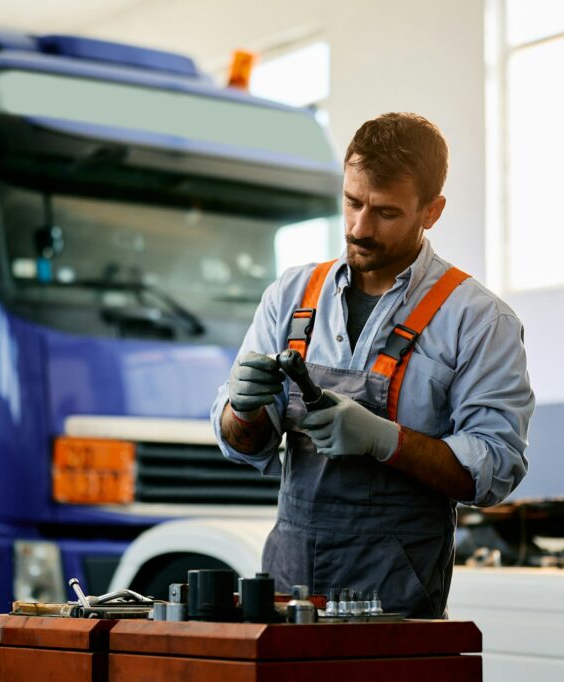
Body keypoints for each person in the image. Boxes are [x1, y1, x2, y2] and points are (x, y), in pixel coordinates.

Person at [210, 112, 534, 618]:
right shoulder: (292, 297)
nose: (360, 228)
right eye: (352, 202)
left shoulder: (477, 319)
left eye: (385, 212)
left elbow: (493, 471)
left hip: (397, 602)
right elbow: (245, 444)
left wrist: (385, 440)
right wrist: (243, 410)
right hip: (290, 590)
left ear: (432, 211)